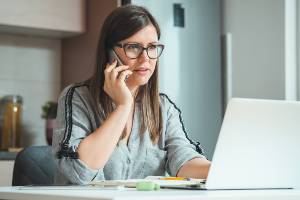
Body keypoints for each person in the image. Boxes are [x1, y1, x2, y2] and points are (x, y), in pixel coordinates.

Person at [52, 4, 211, 185]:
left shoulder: (163, 107)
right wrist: (123, 106)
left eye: (152, 47)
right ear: (110, 52)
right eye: (134, 47)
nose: (146, 58)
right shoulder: (77, 97)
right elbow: (78, 171)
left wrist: (222, 170)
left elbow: (184, 159)